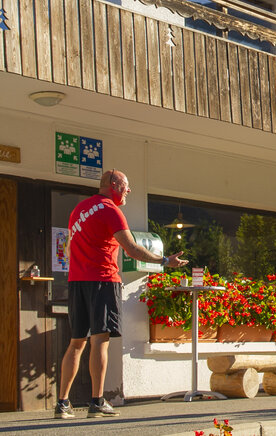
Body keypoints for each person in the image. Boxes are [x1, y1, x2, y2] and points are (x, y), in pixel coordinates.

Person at [56, 169, 183, 420]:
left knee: (76, 342)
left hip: (77, 281)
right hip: (103, 280)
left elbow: (69, 248)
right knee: (100, 340)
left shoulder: (79, 210)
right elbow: (133, 249)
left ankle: (62, 403)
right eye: (126, 186)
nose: (129, 191)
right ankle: (97, 401)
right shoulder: (111, 210)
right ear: (114, 184)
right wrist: (165, 260)